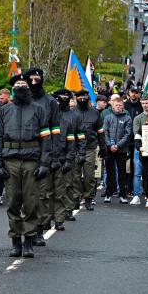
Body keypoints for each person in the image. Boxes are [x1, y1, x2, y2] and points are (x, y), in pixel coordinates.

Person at [0, 74, 52, 258]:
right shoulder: (5, 110)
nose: (20, 86)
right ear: (12, 89)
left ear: (28, 87)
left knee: (31, 203)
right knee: (12, 203)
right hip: (10, 162)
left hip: (31, 161)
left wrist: (44, 162)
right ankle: (15, 241)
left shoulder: (38, 109)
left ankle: (29, 241)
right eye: (17, 84)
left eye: (23, 84)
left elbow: (46, 138)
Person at [26, 67, 60, 245]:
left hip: (43, 154)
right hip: (23, 153)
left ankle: (39, 230)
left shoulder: (51, 102)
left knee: (41, 195)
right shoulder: (22, 101)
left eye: (36, 79)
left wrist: (54, 158)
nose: (33, 83)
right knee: (24, 196)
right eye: (30, 79)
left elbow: (56, 132)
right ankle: (25, 231)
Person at [51, 89, 84, 230]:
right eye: (60, 97)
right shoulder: (50, 115)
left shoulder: (74, 116)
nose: (62, 100)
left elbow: (79, 136)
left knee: (68, 184)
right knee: (49, 189)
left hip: (67, 155)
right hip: (50, 157)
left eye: (66, 97)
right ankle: (49, 216)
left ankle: (68, 209)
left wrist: (79, 154)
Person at [74, 90, 104, 210]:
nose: (82, 99)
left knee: (89, 175)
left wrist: (103, 147)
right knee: (75, 175)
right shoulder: (72, 113)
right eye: (80, 97)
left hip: (90, 148)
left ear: (88, 98)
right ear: (76, 98)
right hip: (75, 149)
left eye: (84, 97)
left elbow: (101, 131)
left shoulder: (95, 113)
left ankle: (88, 199)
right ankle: (75, 198)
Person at [102, 96, 132, 204]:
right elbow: (105, 133)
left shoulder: (127, 118)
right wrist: (110, 145)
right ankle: (108, 194)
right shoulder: (108, 118)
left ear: (123, 106)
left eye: (120, 105)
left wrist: (118, 146)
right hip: (109, 149)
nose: (118, 107)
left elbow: (128, 134)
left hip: (122, 150)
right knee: (110, 172)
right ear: (112, 105)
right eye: (116, 105)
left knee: (122, 173)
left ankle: (122, 195)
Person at [130, 95, 148, 205]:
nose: (145, 105)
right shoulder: (137, 118)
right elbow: (136, 134)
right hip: (140, 149)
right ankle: (136, 196)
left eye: (146, 103)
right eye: (143, 103)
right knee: (137, 173)